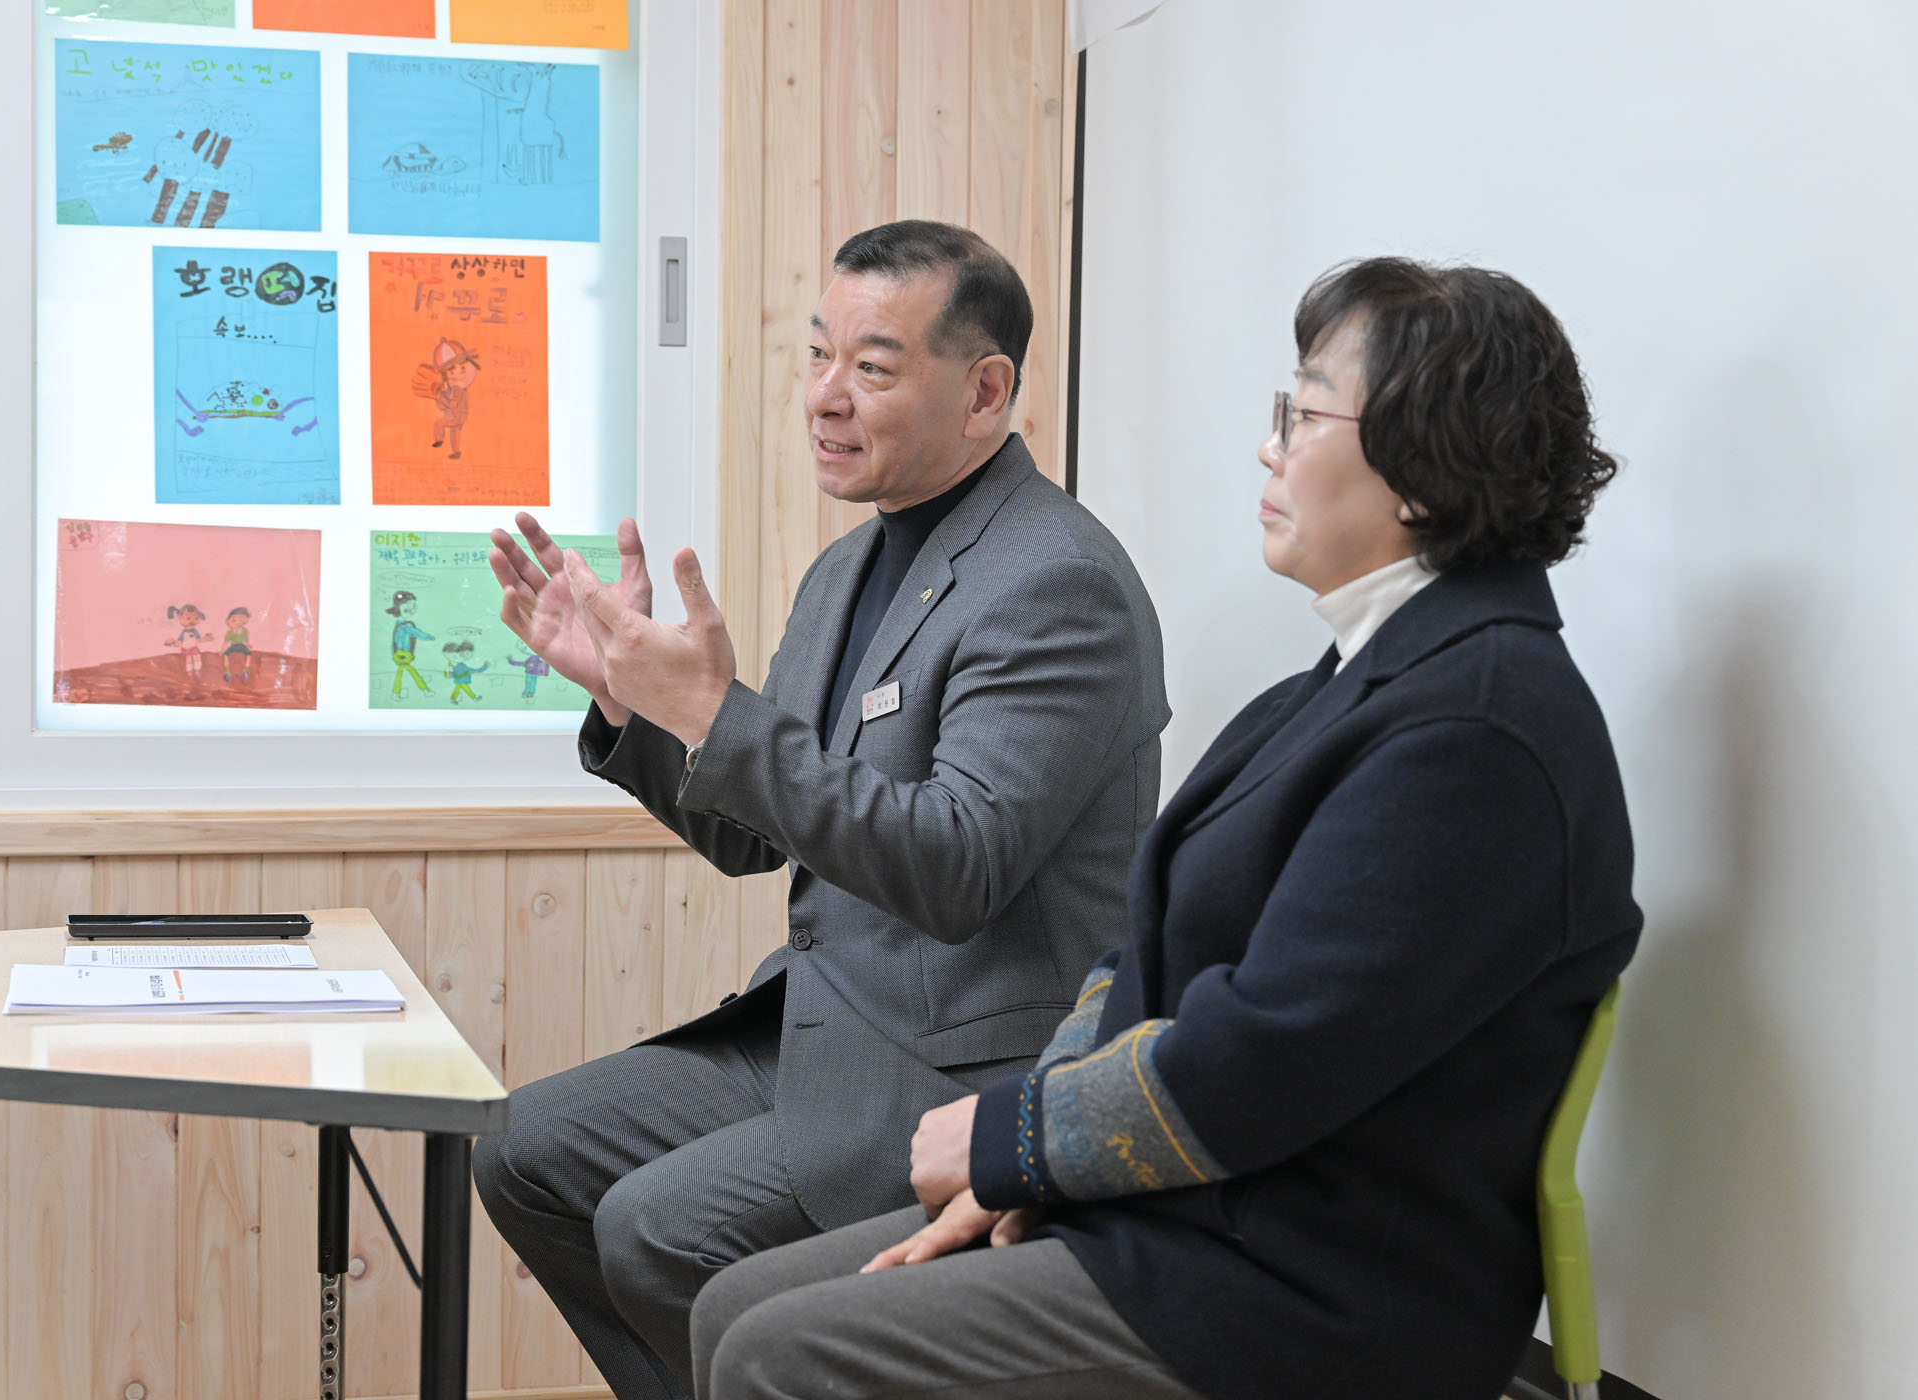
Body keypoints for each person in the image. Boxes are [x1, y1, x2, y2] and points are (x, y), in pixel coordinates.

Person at [689, 257, 1643, 1400]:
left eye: (1304, 413)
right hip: (1193, 1211)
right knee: (735, 1305)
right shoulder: (1347, 685)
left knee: (778, 1350)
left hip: (1306, 1285)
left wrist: (1015, 1141)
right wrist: (1029, 1157)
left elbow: (1268, 1059)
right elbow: (1132, 960)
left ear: (1428, 468)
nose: (1269, 447)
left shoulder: (1475, 729)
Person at [472, 220, 1171, 1400]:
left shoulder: (1058, 581)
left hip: (958, 1064)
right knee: (525, 1149)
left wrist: (715, 711)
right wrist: (640, 705)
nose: (825, 396)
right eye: (817, 354)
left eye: (874, 367)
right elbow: (755, 831)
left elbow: (955, 865)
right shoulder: (850, 567)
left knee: (656, 1226)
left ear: (985, 391)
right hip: (821, 1021)